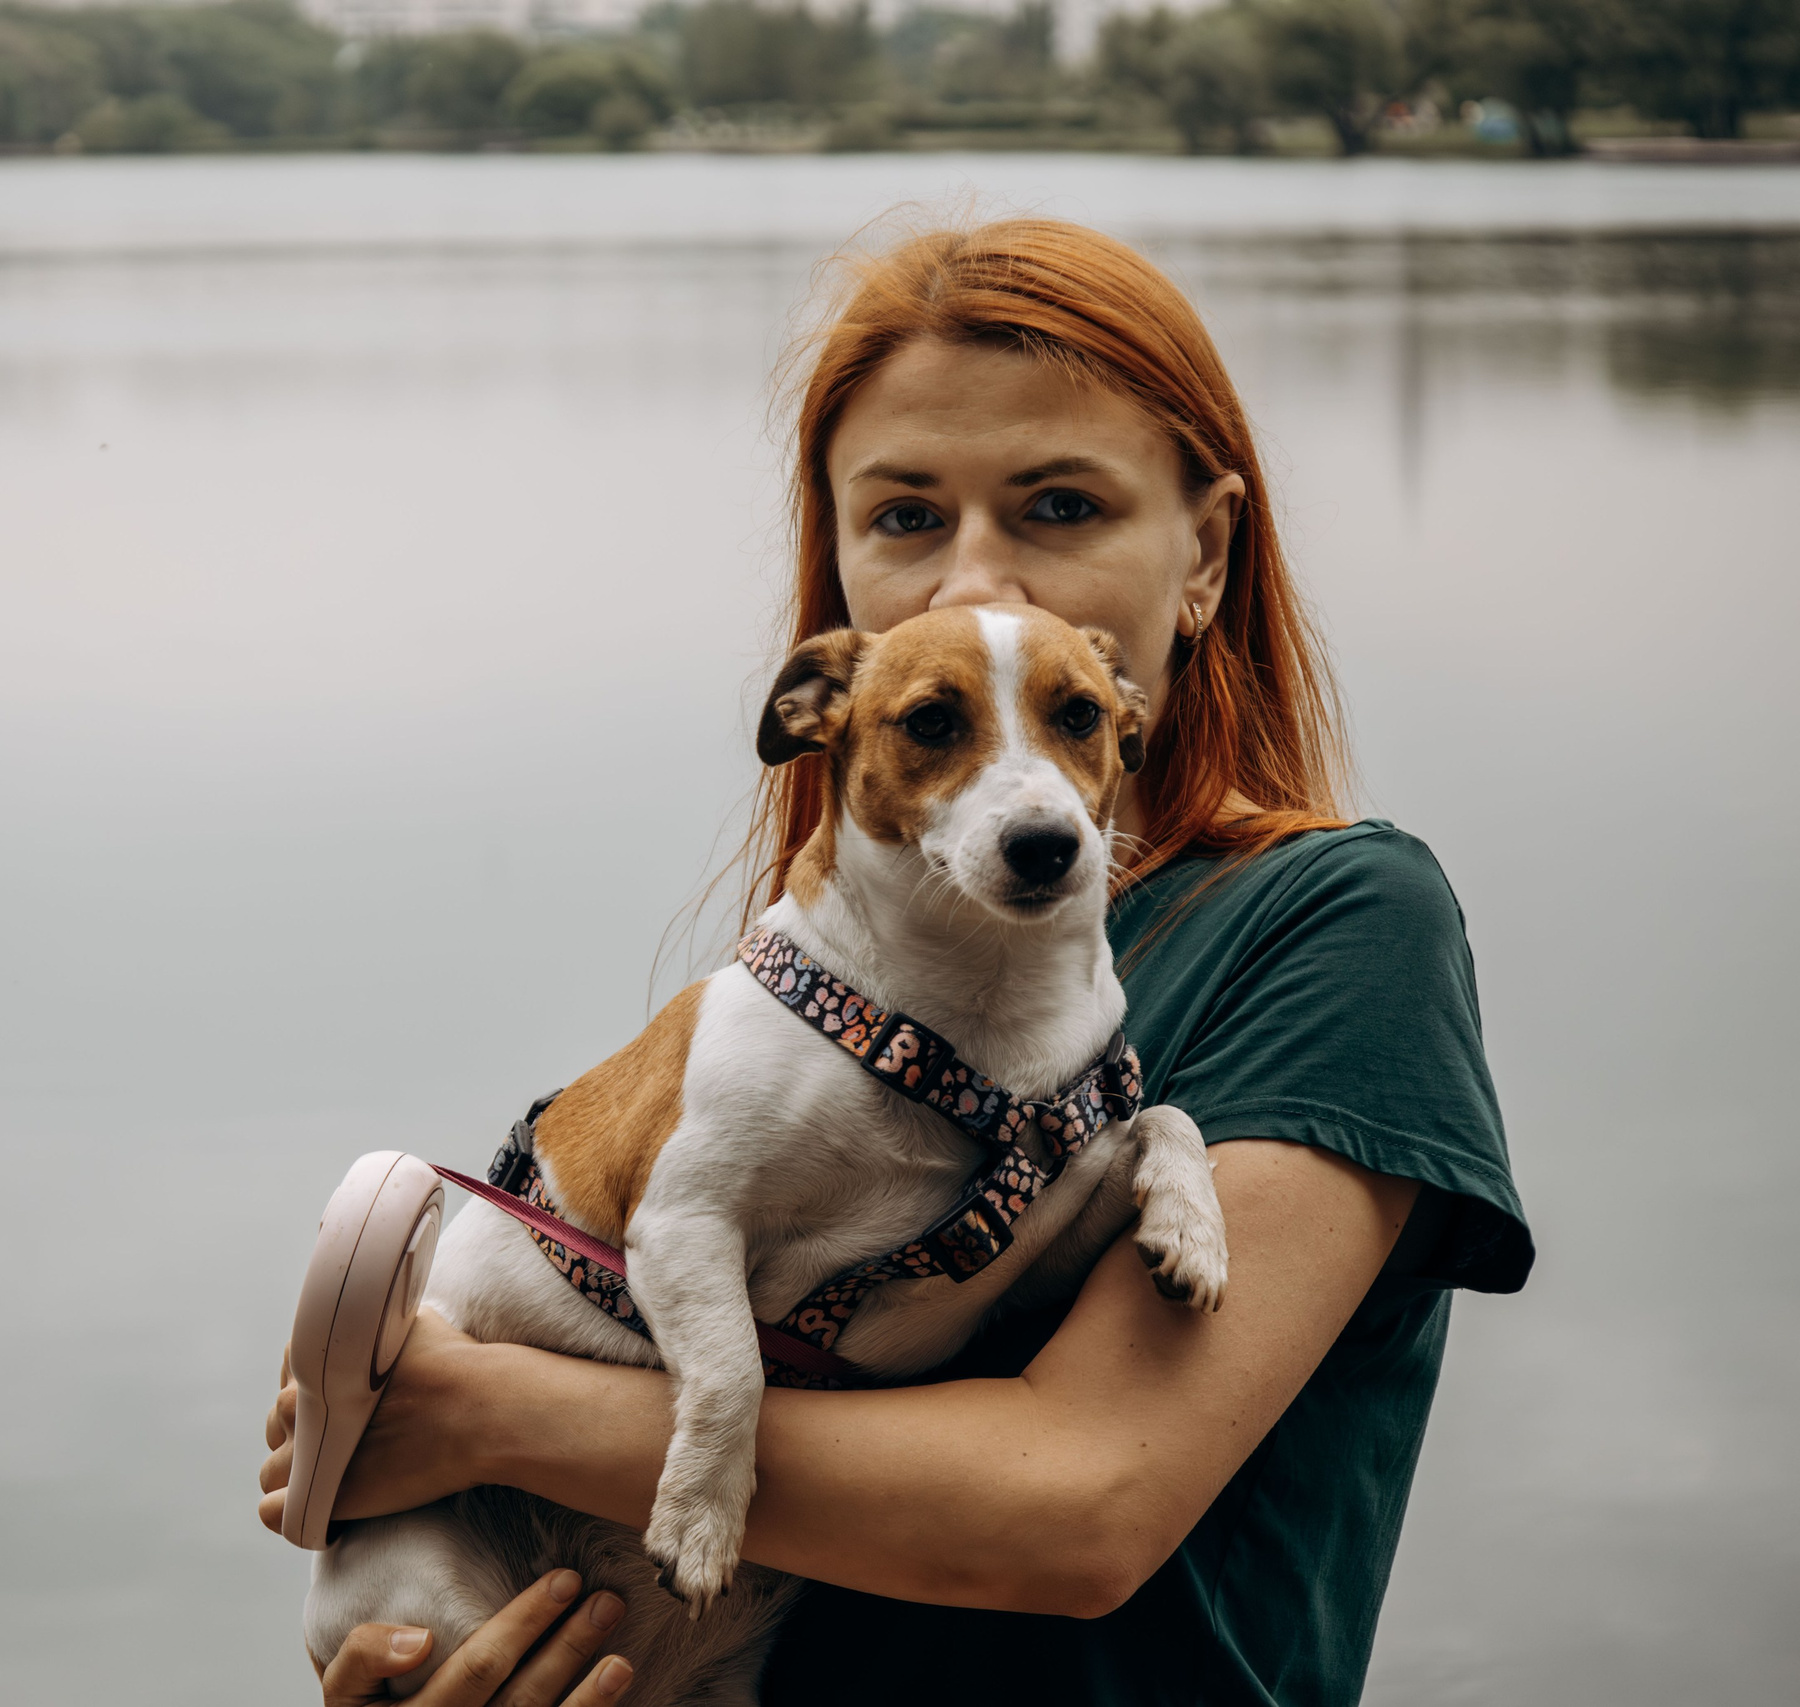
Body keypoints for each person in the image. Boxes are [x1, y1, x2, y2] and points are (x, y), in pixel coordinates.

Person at [258, 219, 1533, 1707]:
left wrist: (475, 1413)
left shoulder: (1334, 925)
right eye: (907, 520)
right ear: (838, 573)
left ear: (1205, 552)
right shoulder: (821, 978)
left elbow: (1081, 1506)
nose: (973, 586)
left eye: (1058, 505)